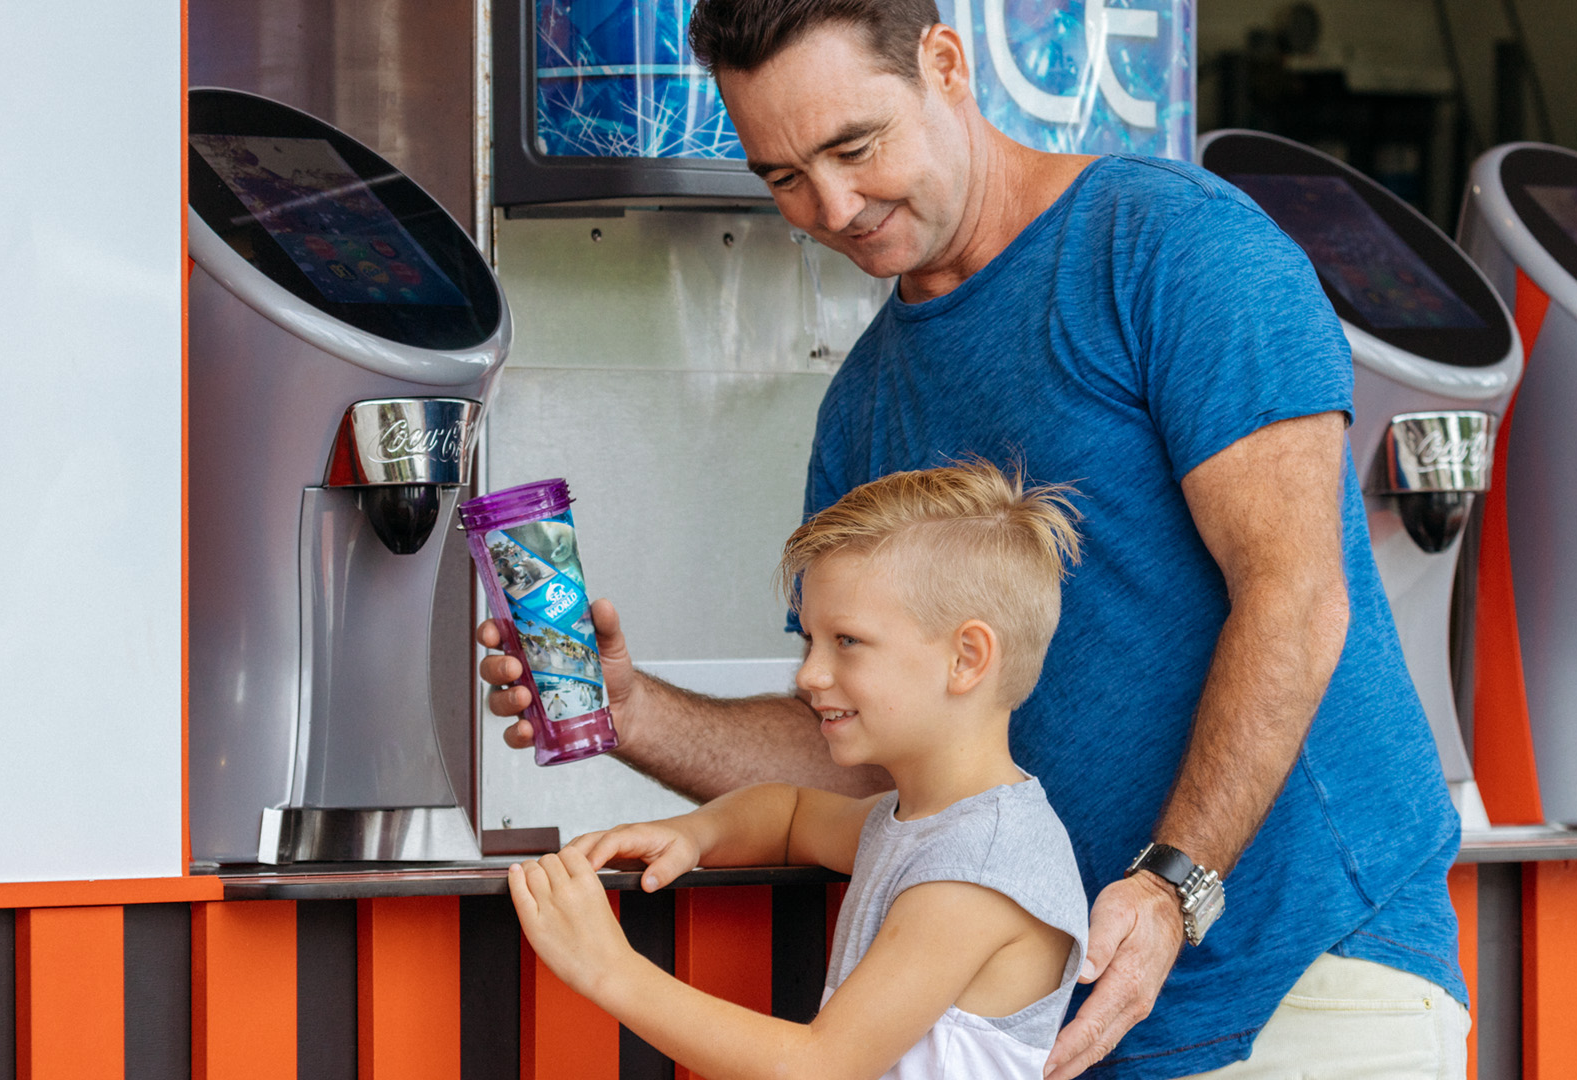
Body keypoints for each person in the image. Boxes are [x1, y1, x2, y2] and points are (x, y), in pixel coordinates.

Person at [480, 0, 1471, 1076]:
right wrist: (634, 713)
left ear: (946, 64)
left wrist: (1175, 886)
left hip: (1309, 976)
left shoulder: (1172, 244)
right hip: (1075, 1019)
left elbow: (1295, 591)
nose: (833, 205)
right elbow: (873, 749)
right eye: (783, 177)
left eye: (856, 147)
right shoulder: (862, 406)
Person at [510, 463, 1091, 1080]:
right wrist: (695, 835)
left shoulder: (979, 869)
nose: (809, 675)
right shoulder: (919, 821)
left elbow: (820, 1066)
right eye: (810, 639)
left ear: (966, 658)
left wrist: (606, 968)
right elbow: (788, 813)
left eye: (846, 641)